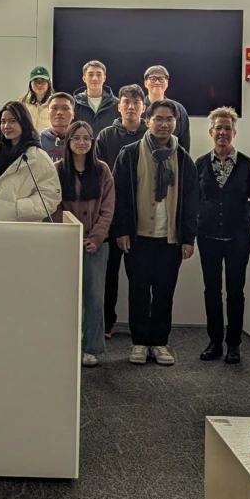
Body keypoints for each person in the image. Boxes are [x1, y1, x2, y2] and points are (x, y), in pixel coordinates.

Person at [110, 99, 199, 366]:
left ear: (176, 123)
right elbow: (120, 196)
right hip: (137, 237)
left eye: (169, 119)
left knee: (164, 292)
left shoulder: (183, 158)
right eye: (158, 119)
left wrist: (187, 238)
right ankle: (139, 342)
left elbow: (192, 201)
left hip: (169, 239)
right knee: (138, 290)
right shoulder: (130, 153)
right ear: (147, 121)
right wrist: (122, 230)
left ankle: (159, 342)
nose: (164, 124)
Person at [195, 107, 250, 365]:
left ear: (234, 132)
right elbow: (193, 199)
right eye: (218, 128)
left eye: (227, 128)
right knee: (211, 290)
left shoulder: (246, 164)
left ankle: (233, 344)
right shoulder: (200, 163)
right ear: (211, 132)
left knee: (236, 292)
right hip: (208, 237)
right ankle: (214, 342)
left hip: (238, 239)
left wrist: (242, 221)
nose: (222, 132)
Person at [53, 121, 114, 367]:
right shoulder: (57, 170)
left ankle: (91, 347)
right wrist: (70, 235)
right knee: (65, 297)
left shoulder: (102, 170)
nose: (81, 143)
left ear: (92, 142)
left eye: (86, 138)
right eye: (76, 138)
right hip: (66, 243)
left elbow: (108, 208)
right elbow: (53, 206)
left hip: (95, 244)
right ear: (68, 142)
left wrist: (96, 237)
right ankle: (65, 344)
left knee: (94, 297)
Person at [94, 84, 147, 338]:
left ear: (143, 107)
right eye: (126, 101)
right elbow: (100, 176)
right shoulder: (105, 136)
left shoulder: (151, 135)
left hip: (143, 216)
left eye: (136, 102)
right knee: (109, 274)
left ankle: (140, 328)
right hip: (112, 213)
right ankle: (107, 323)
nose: (131, 106)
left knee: (139, 276)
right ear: (119, 106)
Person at [0, 102, 62, 222]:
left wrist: (18, 208)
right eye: (3, 121)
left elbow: (51, 196)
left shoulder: (37, 157)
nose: (6, 126)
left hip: (21, 228)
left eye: (12, 121)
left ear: (23, 123)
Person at [143, 65, 191, 151]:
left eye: (161, 78)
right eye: (153, 78)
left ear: (167, 83)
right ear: (146, 83)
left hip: (172, 159)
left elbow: (184, 143)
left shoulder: (179, 109)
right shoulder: (138, 108)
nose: (157, 82)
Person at [73, 60, 119, 133]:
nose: (95, 78)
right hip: (82, 144)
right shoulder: (74, 103)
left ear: (104, 78)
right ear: (84, 78)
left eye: (98, 74)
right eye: (90, 75)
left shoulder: (116, 104)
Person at [39, 92, 75, 161]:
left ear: (73, 114)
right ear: (47, 114)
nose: (59, 113)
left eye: (65, 108)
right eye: (55, 108)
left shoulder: (81, 140)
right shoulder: (38, 141)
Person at [20, 66, 54, 133]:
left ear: (49, 83)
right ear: (30, 84)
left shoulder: (55, 104)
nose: (39, 85)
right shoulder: (21, 103)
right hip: (28, 141)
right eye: (36, 81)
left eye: (43, 81)